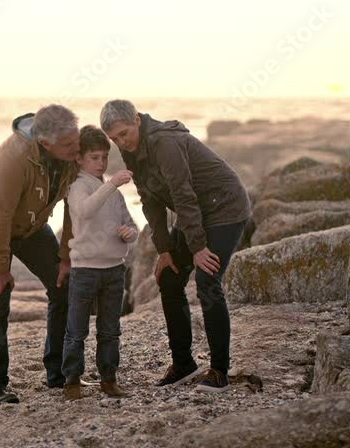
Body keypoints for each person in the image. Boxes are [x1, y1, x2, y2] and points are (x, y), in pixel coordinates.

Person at [100, 99, 251, 393]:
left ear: (137, 120)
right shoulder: (131, 148)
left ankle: (219, 371)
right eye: (114, 138)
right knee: (168, 278)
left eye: (124, 133)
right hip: (195, 212)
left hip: (225, 208)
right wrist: (165, 249)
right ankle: (183, 364)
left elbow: (183, 195)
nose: (121, 142)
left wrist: (197, 248)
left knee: (208, 280)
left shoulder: (164, 143)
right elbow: (150, 200)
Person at [0, 104, 81, 403]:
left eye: (76, 140)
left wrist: (66, 255)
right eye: (68, 145)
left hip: (30, 224)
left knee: (63, 285)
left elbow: (74, 206)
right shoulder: (14, 157)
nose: (76, 148)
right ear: (44, 143)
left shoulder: (70, 151)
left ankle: (59, 374)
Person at [61, 126, 138, 401]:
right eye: (94, 157)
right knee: (77, 331)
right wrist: (112, 183)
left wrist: (130, 234)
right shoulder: (77, 187)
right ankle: (71, 382)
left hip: (114, 269)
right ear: (79, 159)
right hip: (85, 270)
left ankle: (109, 379)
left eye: (104, 157)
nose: (101, 163)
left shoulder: (114, 194)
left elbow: (131, 225)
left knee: (110, 330)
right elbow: (85, 210)